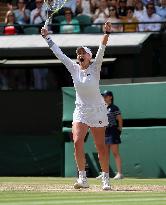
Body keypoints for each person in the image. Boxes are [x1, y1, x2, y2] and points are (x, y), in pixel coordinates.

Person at [41, 21, 112, 190]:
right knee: (77, 142)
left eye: (83, 53)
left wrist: (107, 34)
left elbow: (102, 49)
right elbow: (59, 54)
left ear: (89, 56)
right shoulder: (73, 68)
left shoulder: (96, 67)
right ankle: (82, 178)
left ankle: (106, 179)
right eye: (78, 53)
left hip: (97, 111)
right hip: (80, 110)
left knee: (100, 147)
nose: (80, 55)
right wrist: (47, 37)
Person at [97, 90, 123, 180]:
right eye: (103, 96)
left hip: (112, 131)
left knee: (115, 153)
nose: (104, 97)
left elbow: (119, 119)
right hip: (104, 132)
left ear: (110, 97)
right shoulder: (102, 107)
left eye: (106, 96)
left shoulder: (114, 108)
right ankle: (105, 173)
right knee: (105, 154)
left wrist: (119, 129)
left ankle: (120, 173)